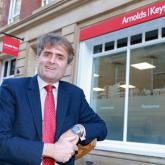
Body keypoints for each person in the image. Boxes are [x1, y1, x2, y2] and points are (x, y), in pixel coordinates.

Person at [0, 33, 107, 165]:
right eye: (47, 54)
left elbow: (101, 127)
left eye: (60, 57)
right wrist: (51, 150)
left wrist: (76, 130)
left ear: (66, 66)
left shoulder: (75, 94)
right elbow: (2, 140)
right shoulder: (12, 88)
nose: (52, 60)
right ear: (38, 58)